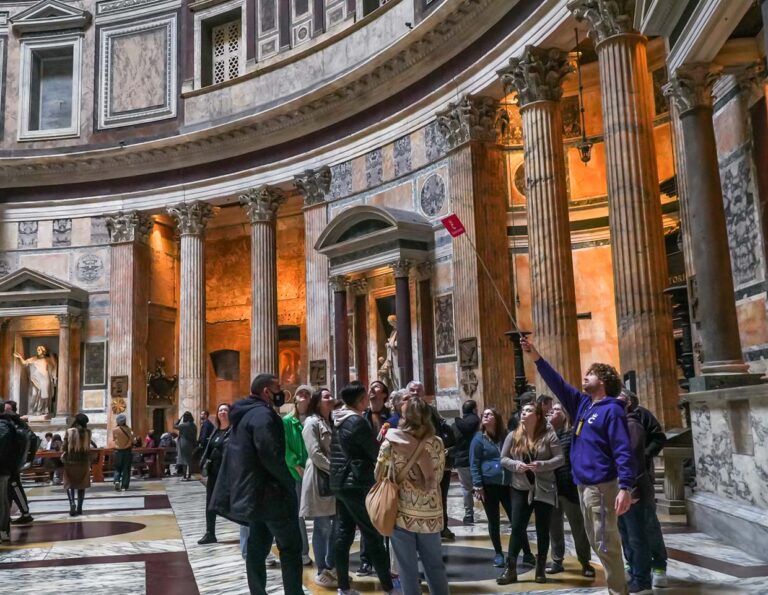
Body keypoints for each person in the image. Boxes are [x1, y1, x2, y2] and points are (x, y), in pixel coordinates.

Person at [521, 335, 634, 595]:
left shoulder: (612, 409)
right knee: (597, 542)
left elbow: (622, 449)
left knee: (606, 542)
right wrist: (536, 357)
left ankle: (618, 591)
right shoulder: (583, 404)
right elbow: (557, 384)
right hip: (583, 484)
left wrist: (626, 486)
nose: (585, 376)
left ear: (603, 381)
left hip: (601, 485)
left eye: (591, 374)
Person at [211, 374, 303, 595]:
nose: (281, 392)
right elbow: (269, 453)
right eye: (277, 388)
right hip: (271, 494)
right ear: (266, 392)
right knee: (290, 548)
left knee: (256, 548)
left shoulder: (243, 415)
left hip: (253, 494)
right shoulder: (263, 415)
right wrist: (287, 481)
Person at [375, 396, 449, 595]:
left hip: (401, 514)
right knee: (435, 566)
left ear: (404, 417)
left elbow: (379, 475)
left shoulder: (390, 443)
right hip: (430, 514)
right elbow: (439, 476)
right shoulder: (436, 443)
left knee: (407, 570)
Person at [330, 381, 397, 595]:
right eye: (365, 397)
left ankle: (343, 586)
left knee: (344, 533)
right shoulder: (356, 422)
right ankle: (388, 587)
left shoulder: (338, 420)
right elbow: (373, 452)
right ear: (360, 400)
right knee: (373, 534)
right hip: (356, 483)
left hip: (340, 482)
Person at [497, 402, 563, 585]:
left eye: (529, 411)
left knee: (543, 529)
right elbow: (503, 458)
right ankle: (511, 570)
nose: (524, 413)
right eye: (523, 410)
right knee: (517, 527)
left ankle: (540, 569)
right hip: (520, 488)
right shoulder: (513, 435)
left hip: (544, 488)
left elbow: (560, 459)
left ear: (538, 416)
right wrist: (515, 465)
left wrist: (542, 465)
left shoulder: (549, 435)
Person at [470, 408, 531, 568]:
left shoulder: (506, 436)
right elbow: (474, 463)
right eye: (484, 415)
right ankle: (498, 553)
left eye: (489, 414)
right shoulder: (478, 439)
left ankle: (527, 553)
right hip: (488, 485)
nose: (485, 416)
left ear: (496, 418)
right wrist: (477, 485)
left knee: (516, 519)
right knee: (493, 520)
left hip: (507, 484)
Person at [620, 388, 669, 588]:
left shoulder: (640, 416)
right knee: (626, 528)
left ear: (630, 402)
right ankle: (634, 566)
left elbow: (659, 437)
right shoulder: (615, 419)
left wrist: (645, 455)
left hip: (641, 477)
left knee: (648, 524)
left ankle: (658, 566)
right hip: (623, 479)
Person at [545, 403, 595, 577]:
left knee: (578, 527)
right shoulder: (547, 435)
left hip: (570, 486)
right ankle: (557, 560)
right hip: (551, 487)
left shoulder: (574, 433)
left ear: (565, 414)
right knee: (554, 527)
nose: (552, 412)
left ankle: (585, 562)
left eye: (557, 409)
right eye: (551, 410)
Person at [617, 390, 657, 595]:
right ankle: (633, 571)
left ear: (627, 403)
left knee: (636, 536)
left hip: (634, 489)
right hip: (623, 488)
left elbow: (631, 459)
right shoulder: (621, 424)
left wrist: (628, 488)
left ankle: (642, 578)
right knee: (626, 534)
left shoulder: (632, 425)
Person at [406, 380, 455, 542]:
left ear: (423, 393)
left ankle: (441, 525)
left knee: (439, 494)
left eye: (418, 390)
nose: (415, 393)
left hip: (434, 458)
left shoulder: (431, 412)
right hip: (411, 460)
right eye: (412, 390)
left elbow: (440, 431)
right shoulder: (404, 411)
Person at [300, 388, 338, 588]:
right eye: (326, 397)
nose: (330, 399)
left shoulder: (331, 421)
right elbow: (314, 454)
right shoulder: (311, 423)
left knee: (336, 526)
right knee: (322, 526)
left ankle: (331, 566)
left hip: (333, 478)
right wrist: (335, 470)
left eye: (331, 396)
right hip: (319, 478)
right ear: (317, 402)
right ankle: (323, 569)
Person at [283, 384, 312, 565]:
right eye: (300, 393)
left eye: (306, 394)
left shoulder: (314, 419)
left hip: (313, 470)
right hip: (295, 472)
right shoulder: (286, 421)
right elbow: (284, 446)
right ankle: (303, 550)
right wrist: (296, 465)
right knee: (298, 513)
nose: (302, 395)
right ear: (294, 398)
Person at [198, 403, 232, 545]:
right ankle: (210, 533)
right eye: (220, 410)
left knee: (233, 502)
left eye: (225, 410)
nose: (222, 412)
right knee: (210, 503)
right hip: (213, 472)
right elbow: (208, 448)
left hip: (228, 473)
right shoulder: (216, 431)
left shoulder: (234, 431)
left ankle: (249, 529)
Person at [452, 399, 480, 524]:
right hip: (475, 458)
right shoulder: (476, 421)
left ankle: (469, 514)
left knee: (466, 488)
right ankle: (491, 512)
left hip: (461, 460)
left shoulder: (455, 425)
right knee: (481, 486)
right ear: (474, 409)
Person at [62, 413, 93, 516]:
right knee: (81, 485)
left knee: (70, 484)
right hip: (83, 461)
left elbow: (64, 447)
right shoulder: (88, 432)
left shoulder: (69, 432)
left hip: (70, 461)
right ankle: (80, 507)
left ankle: (72, 504)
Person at [112, 413, 134, 492]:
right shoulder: (129, 430)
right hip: (127, 451)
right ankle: (124, 486)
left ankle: (116, 481)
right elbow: (131, 440)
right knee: (126, 469)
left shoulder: (114, 430)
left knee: (117, 468)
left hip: (117, 451)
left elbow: (114, 439)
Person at [175, 412, 197, 481]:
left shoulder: (183, 425)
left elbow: (174, 426)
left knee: (184, 460)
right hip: (191, 444)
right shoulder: (194, 426)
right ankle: (189, 475)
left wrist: (179, 419)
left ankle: (184, 476)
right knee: (189, 460)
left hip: (183, 444)